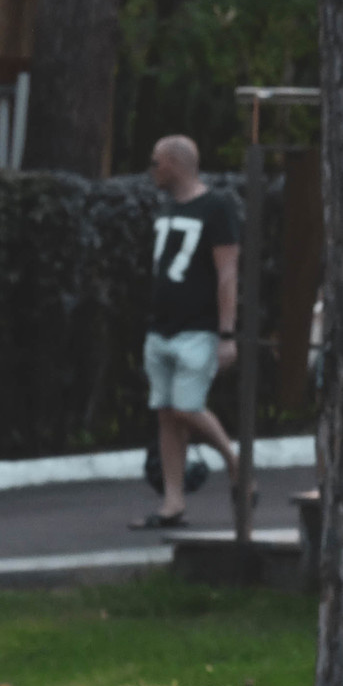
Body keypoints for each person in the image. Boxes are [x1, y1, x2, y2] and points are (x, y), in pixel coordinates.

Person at [134, 133, 241, 530]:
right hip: (161, 327)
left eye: (156, 162)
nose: (152, 170)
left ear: (176, 164)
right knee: (166, 414)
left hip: (198, 328)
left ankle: (236, 464)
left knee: (186, 407)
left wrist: (226, 334)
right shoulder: (166, 207)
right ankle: (173, 501)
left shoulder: (216, 207)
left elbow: (227, 271)